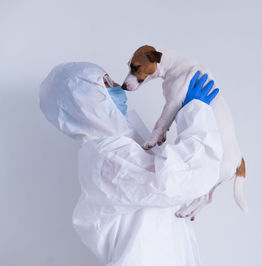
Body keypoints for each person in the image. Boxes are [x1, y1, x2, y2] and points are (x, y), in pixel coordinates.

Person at [39, 62, 222, 266]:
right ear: (82, 99)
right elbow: (178, 180)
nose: (118, 85)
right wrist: (195, 111)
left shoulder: (120, 146)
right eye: (106, 83)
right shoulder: (109, 155)